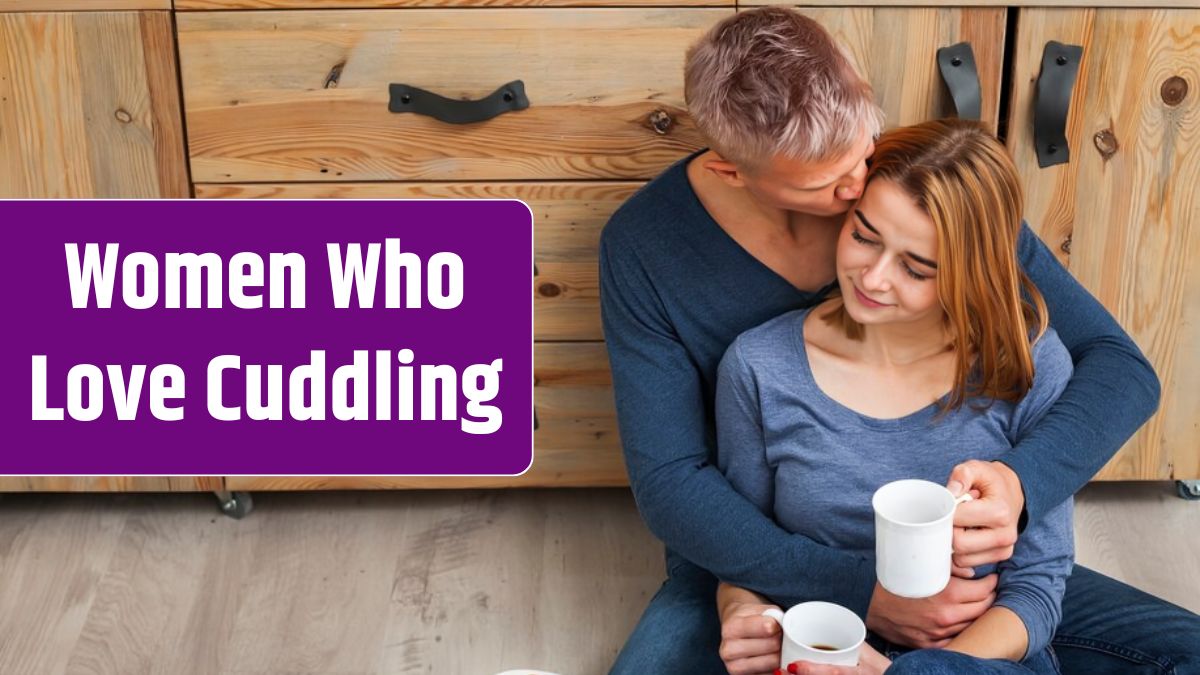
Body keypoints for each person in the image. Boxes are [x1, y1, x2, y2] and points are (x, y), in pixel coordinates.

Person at [598, 6, 1200, 674]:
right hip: (766, 550)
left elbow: (1121, 371)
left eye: (862, 152)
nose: (858, 184)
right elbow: (672, 482)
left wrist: (1016, 487)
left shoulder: (912, 189)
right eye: (831, 191)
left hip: (955, 568)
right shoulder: (653, 253)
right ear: (731, 170)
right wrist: (815, 595)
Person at [716, 118, 1073, 675]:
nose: (874, 278)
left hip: (971, 660)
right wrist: (742, 611)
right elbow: (741, 549)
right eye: (863, 235)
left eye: (916, 268)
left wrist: (902, 674)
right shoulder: (759, 367)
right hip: (816, 649)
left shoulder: (1027, 365)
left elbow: (1036, 594)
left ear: (968, 274)